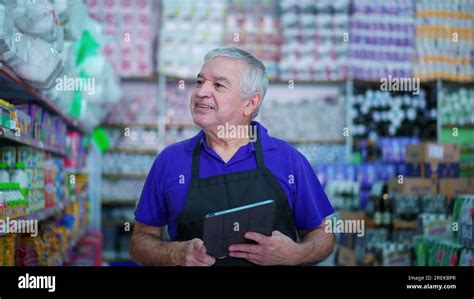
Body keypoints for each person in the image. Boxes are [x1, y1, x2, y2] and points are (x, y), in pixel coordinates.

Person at [130, 47, 335, 266]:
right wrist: (177, 253)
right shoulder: (170, 162)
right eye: (200, 82)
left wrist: (295, 254)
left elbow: (324, 235)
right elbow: (139, 243)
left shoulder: (289, 161)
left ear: (250, 103)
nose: (201, 92)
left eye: (218, 85)